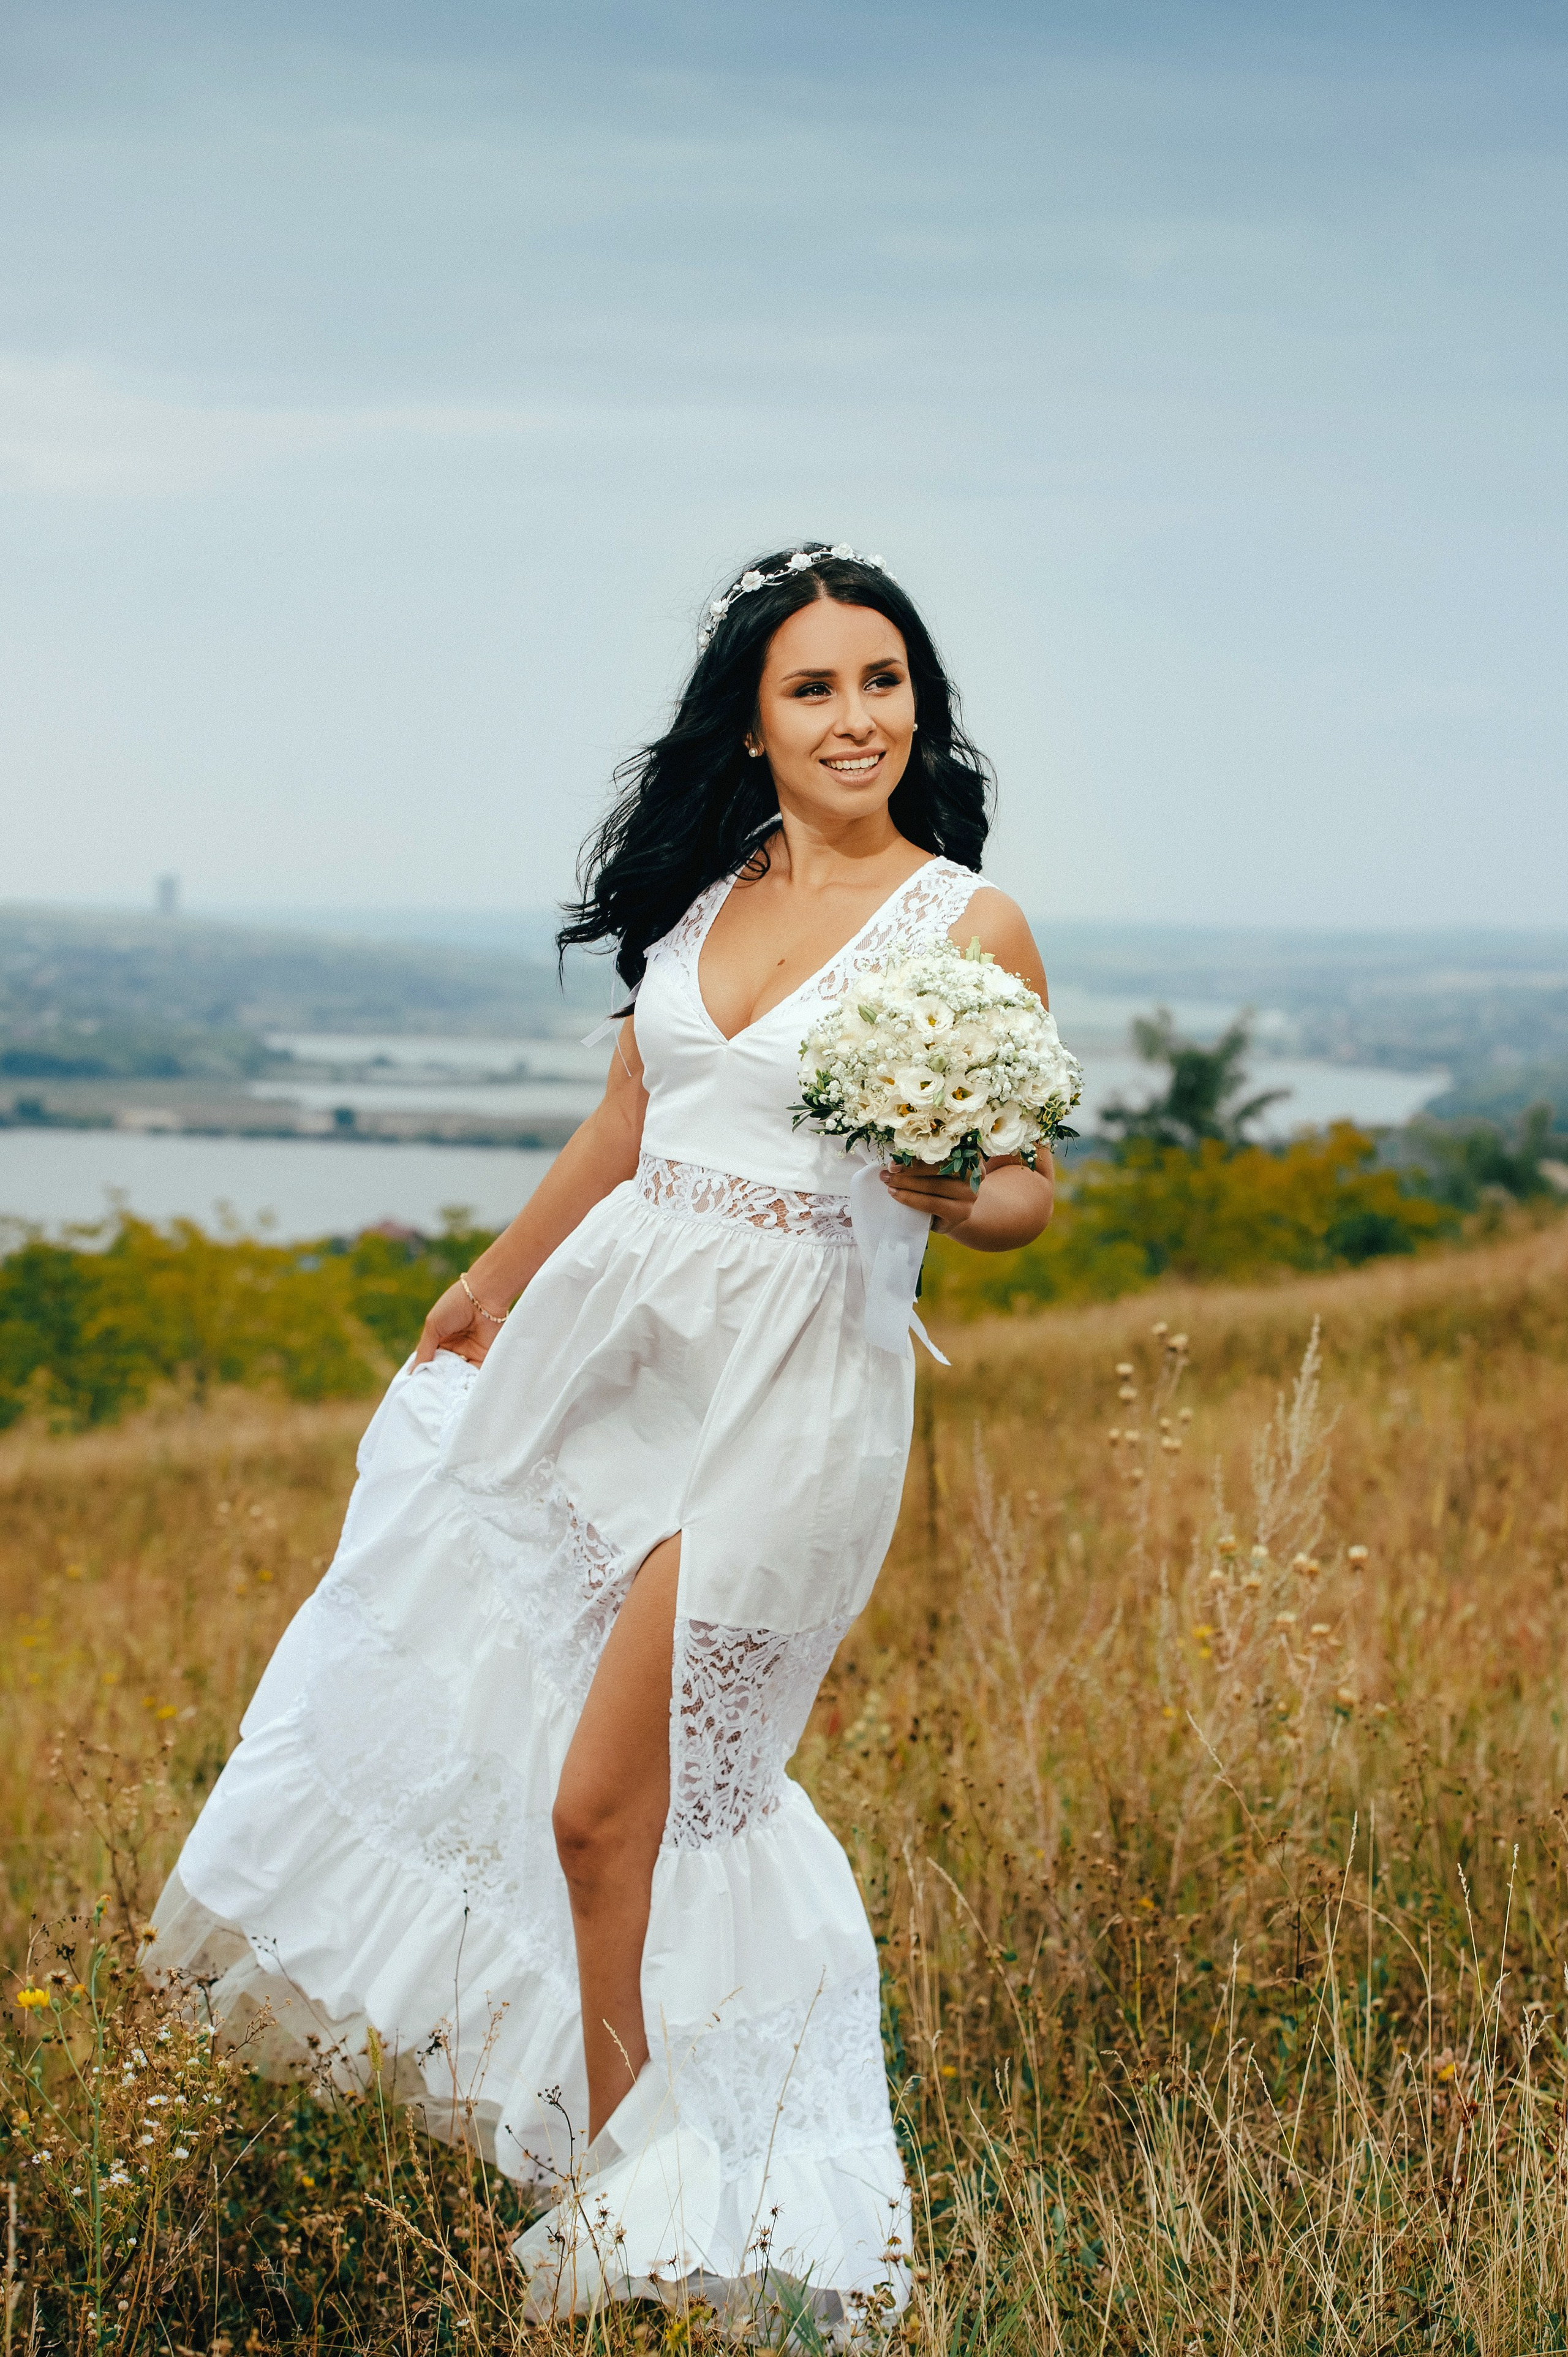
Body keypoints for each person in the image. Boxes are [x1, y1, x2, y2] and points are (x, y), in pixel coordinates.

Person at [145, 543, 1055, 2339]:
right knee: (534, 1760)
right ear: (755, 718)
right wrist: (484, 1284)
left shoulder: (969, 925)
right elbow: (629, 1118)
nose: (859, 717)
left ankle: (647, 2189)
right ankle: (610, 2155)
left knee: (613, 1806)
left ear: (920, 707)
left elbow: (1029, 1190)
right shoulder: (707, 895)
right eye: (817, 687)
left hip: (796, 1401)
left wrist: (956, 1188)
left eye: (886, 682)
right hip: (615, 1361)